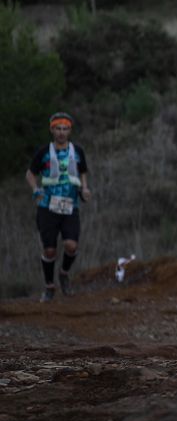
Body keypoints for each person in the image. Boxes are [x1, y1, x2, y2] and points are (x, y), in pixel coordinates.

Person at [25, 112, 92, 303]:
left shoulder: (77, 151)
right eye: (58, 129)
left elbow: (83, 171)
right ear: (52, 130)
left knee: (71, 245)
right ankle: (49, 287)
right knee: (50, 251)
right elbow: (29, 174)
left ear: (70, 130)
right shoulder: (44, 151)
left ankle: (63, 273)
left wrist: (85, 188)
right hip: (48, 207)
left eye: (65, 129)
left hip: (70, 206)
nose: (61, 133)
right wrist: (36, 189)